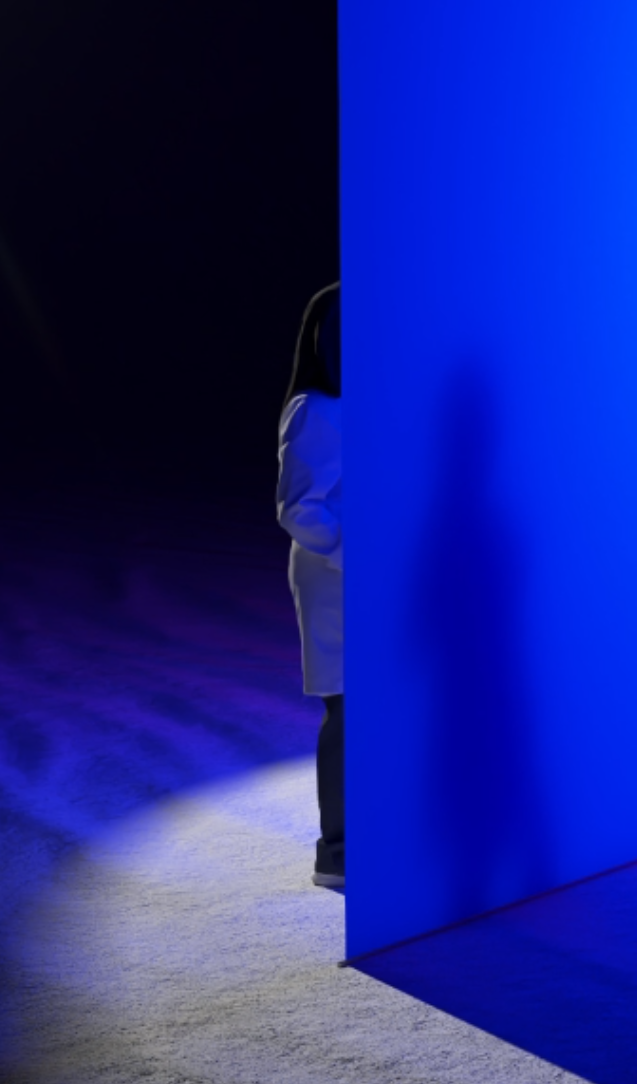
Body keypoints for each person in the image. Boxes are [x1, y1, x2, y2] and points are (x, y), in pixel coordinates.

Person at [278, 283, 345, 884]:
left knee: (365, 704)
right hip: (334, 578)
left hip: (355, 577)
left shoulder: (345, 406)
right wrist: (357, 551)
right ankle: (338, 850)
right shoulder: (316, 409)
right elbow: (299, 508)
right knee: (347, 705)